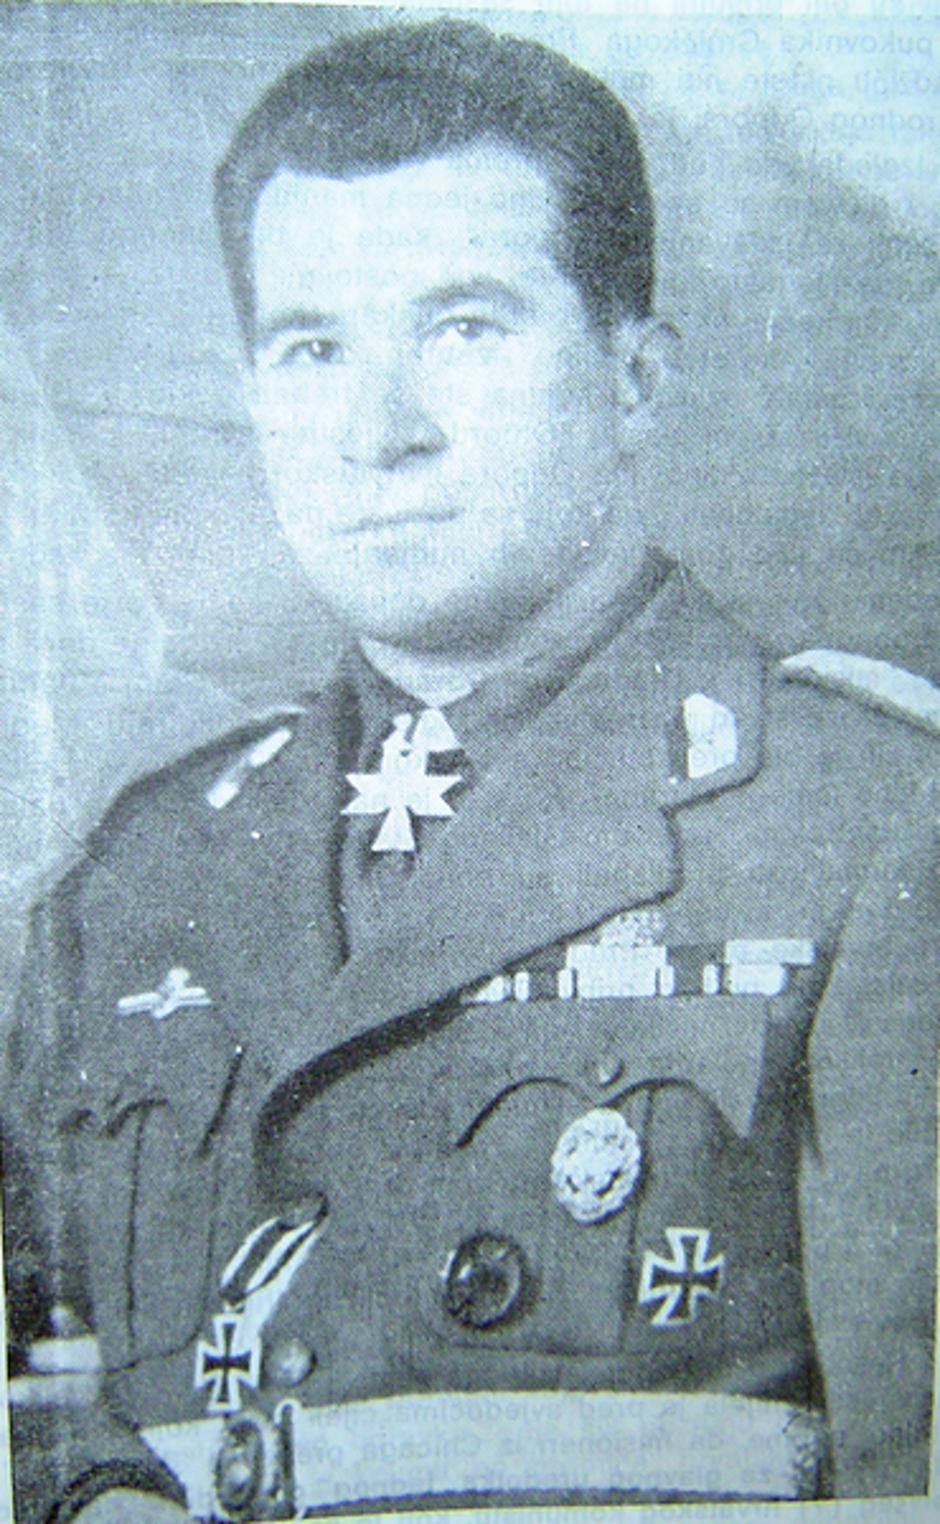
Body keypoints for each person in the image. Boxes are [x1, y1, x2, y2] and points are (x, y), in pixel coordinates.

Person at [3, 17, 937, 1522]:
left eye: (465, 331)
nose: (380, 432)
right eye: (313, 348)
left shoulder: (871, 827)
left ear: (636, 379)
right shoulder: (138, 876)